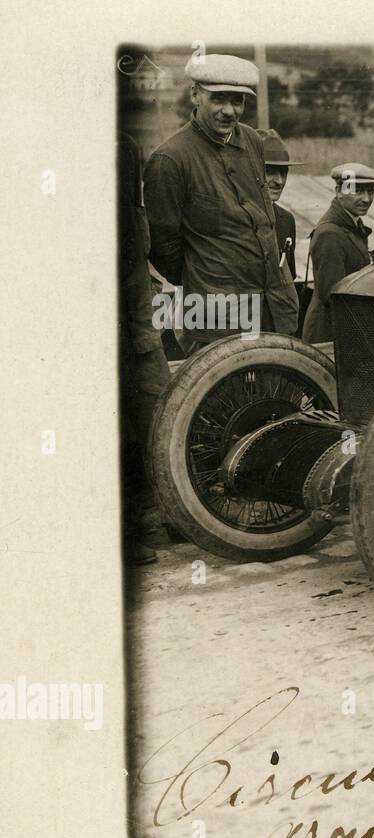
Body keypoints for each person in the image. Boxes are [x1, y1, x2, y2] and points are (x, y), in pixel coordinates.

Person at [144, 54, 298, 351]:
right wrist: (208, 278)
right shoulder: (170, 160)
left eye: (237, 101)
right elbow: (163, 248)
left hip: (274, 306)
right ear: (195, 95)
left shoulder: (253, 141)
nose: (229, 111)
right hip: (217, 317)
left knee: (277, 391)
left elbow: (263, 219)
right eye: (218, 99)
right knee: (225, 395)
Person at [118, 130, 172, 565]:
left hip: (137, 308)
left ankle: (162, 510)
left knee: (157, 406)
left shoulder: (125, 145)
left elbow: (136, 240)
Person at [302, 164, 374, 344]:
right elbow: (332, 295)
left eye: (370, 192)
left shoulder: (350, 225)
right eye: (358, 191)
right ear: (339, 191)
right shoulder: (330, 233)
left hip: (341, 330)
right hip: (328, 334)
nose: (366, 199)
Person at [258, 128, 302, 282]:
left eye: (283, 172)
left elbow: (288, 280)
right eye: (270, 171)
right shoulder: (230, 217)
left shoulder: (286, 220)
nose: (279, 181)